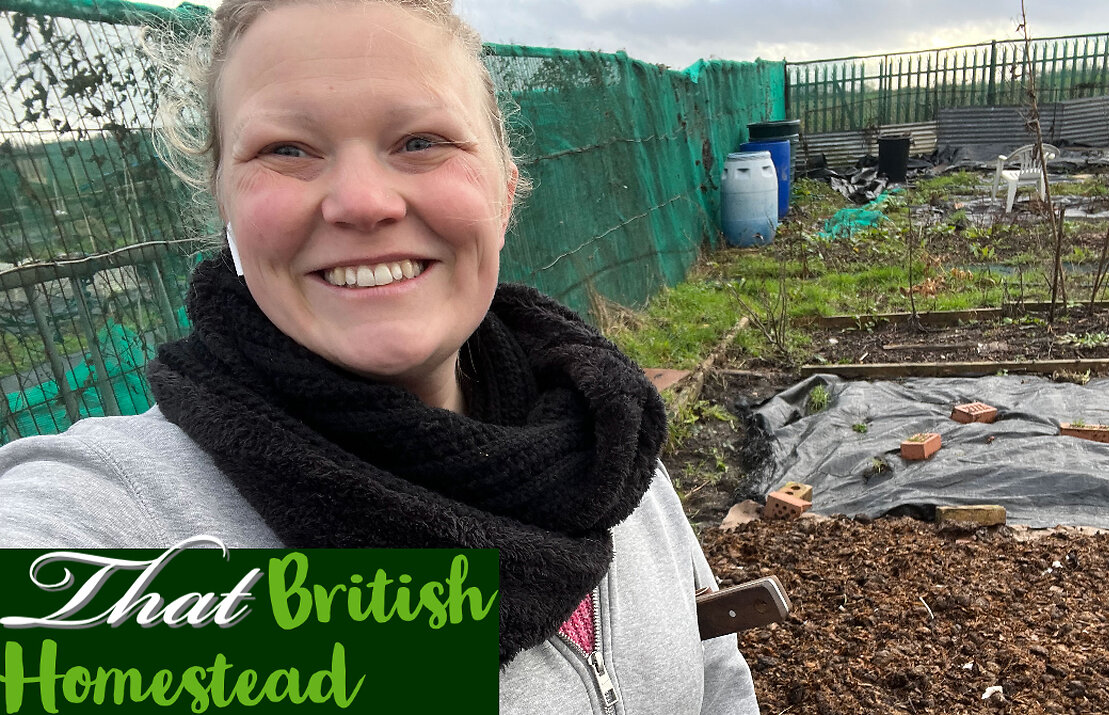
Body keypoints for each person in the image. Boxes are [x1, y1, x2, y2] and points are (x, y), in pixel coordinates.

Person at [0, 0, 761, 712]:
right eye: (286, 149)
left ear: (504, 188)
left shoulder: (603, 426)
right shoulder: (124, 515)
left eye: (420, 141)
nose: (362, 201)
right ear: (225, 208)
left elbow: (715, 670)